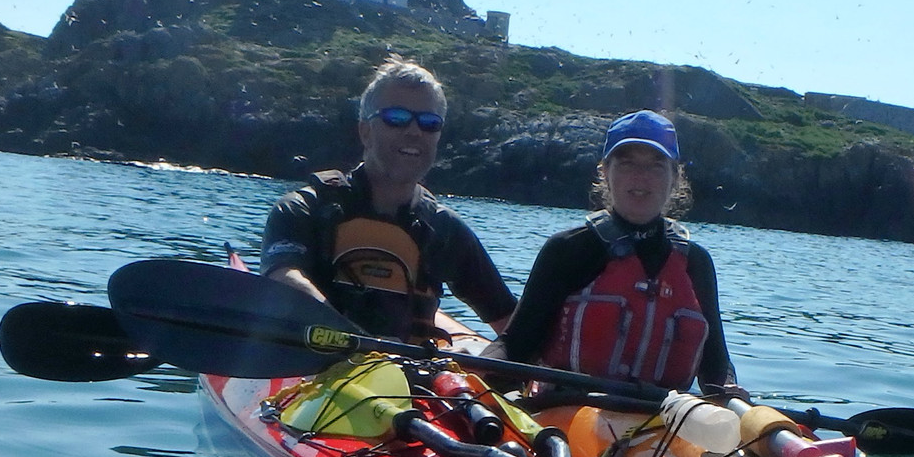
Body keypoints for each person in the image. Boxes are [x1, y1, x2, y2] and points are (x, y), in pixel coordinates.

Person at [260, 58, 516, 342]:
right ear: (365, 131)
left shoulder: (445, 229)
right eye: (397, 118)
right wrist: (351, 342)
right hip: (317, 368)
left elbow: (510, 321)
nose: (415, 131)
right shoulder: (302, 210)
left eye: (429, 123)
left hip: (410, 378)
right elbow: (283, 279)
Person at [497, 110, 735, 392]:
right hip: (565, 418)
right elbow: (513, 347)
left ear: (674, 177)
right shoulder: (568, 251)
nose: (641, 177)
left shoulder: (696, 263)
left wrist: (729, 390)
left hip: (663, 424)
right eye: (627, 163)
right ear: (605, 172)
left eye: (656, 165)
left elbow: (717, 369)